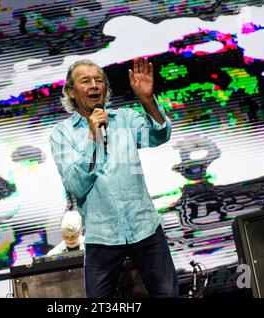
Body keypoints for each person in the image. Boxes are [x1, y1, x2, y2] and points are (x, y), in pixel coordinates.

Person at [49, 57, 179, 298]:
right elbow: (75, 186)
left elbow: (161, 134)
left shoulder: (126, 119)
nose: (94, 85)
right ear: (71, 91)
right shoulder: (61, 134)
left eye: (99, 80)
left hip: (144, 228)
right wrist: (92, 137)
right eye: (85, 81)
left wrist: (147, 100)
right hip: (102, 235)